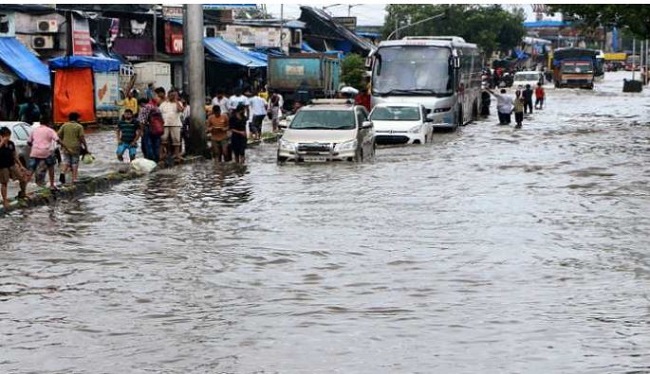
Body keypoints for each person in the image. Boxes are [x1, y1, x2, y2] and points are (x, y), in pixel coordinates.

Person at [27, 114, 61, 189]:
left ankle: (24, 188)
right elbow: (58, 140)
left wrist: (34, 145)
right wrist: (66, 147)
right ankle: (52, 185)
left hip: (35, 152)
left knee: (31, 170)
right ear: (49, 123)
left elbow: (29, 142)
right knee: (51, 167)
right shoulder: (50, 130)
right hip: (46, 152)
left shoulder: (34, 130)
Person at [0, 126, 29, 209]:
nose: (8, 137)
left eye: (9, 135)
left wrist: (21, 166)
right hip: (2, 166)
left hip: (12, 164)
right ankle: (5, 200)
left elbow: (15, 155)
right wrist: (2, 142)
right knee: (4, 183)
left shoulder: (11, 143)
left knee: (23, 178)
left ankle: (23, 193)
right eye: (6, 136)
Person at [57, 112, 88, 184]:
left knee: (66, 162)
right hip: (75, 147)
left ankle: (62, 172)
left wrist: (62, 143)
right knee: (75, 162)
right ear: (77, 118)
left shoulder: (64, 125)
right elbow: (82, 138)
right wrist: (86, 147)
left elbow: (58, 135)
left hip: (65, 147)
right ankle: (74, 179)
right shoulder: (79, 126)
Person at [158, 90, 184, 164]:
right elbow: (159, 112)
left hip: (175, 123)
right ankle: (162, 154)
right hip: (165, 124)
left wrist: (176, 101)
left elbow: (181, 110)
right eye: (171, 95)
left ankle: (177, 154)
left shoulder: (179, 103)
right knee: (163, 139)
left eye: (174, 95)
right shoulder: (163, 104)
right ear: (168, 95)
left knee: (176, 140)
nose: (172, 96)